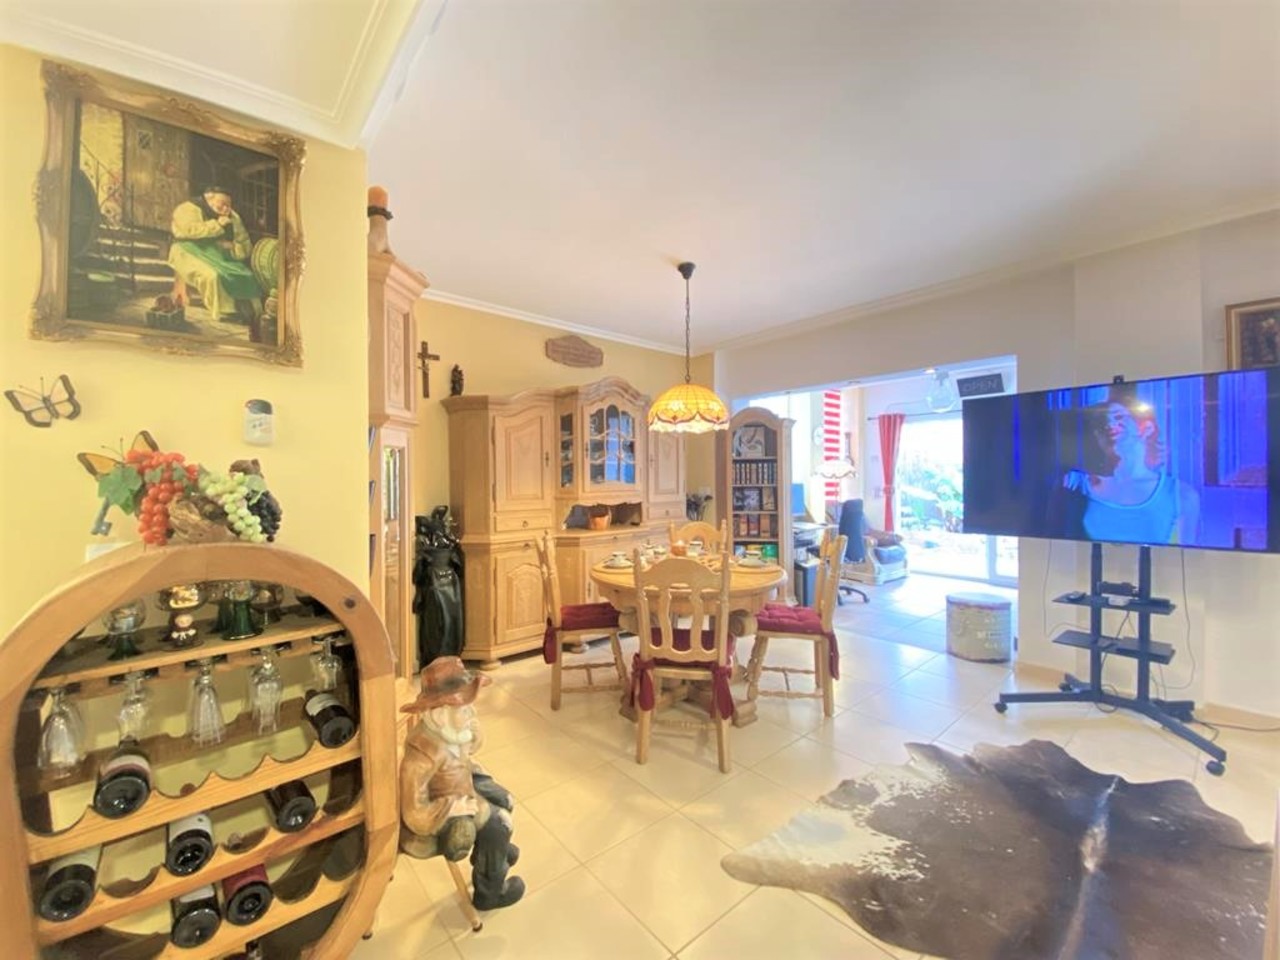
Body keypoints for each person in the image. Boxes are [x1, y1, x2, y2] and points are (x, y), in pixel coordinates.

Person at [399, 657, 524, 910]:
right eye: (465, 709)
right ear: (439, 715)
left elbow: (469, 750)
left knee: (505, 799)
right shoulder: (422, 754)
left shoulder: (449, 732)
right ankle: (490, 893)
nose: (472, 714)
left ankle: (490, 854)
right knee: (500, 823)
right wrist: (449, 808)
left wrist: (474, 732)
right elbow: (413, 812)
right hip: (446, 809)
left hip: (463, 782)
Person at [1052, 386, 1200, 545]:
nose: (1109, 424)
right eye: (1101, 422)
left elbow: (1185, 553)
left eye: (1119, 417)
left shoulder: (1181, 495)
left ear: (1147, 428)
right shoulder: (1073, 483)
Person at [168, 186, 263, 323]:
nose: (226, 208)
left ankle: (253, 312)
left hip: (216, 254)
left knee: (246, 274)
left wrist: (234, 247)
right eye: (222, 204)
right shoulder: (188, 208)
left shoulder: (232, 216)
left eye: (229, 205)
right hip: (186, 250)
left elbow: (244, 241)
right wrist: (217, 224)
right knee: (212, 275)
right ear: (208, 197)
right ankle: (225, 312)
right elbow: (190, 231)